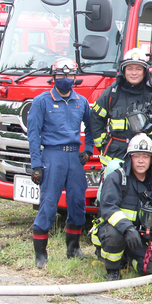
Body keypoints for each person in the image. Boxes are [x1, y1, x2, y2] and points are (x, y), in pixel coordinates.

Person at [27, 57, 94, 269]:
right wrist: (36, 165)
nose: (65, 79)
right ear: (53, 77)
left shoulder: (81, 102)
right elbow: (33, 135)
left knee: (77, 202)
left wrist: (89, 150)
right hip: (52, 156)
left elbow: (92, 128)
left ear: (75, 78)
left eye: (69, 76)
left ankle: (73, 249)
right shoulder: (41, 101)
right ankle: (41, 255)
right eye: (61, 75)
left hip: (74, 158)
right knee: (48, 204)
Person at [92, 133, 152, 281]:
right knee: (114, 235)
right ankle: (113, 269)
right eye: (137, 156)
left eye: (145, 156)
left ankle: (130, 259)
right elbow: (109, 208)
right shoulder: (117, 178)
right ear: (130, 158)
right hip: (118, 231)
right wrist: (128, 229)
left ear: (151, 159)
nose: (141, 161)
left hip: (140, 239)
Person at [91, 48, 152, 166]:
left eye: (138, 69)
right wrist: (103, 144)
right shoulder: (112, 93)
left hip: (146, 154)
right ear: (123, 70)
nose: (134, 73)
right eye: (129, 68)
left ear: (145, 71)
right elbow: (95, 119)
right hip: (117, 155)